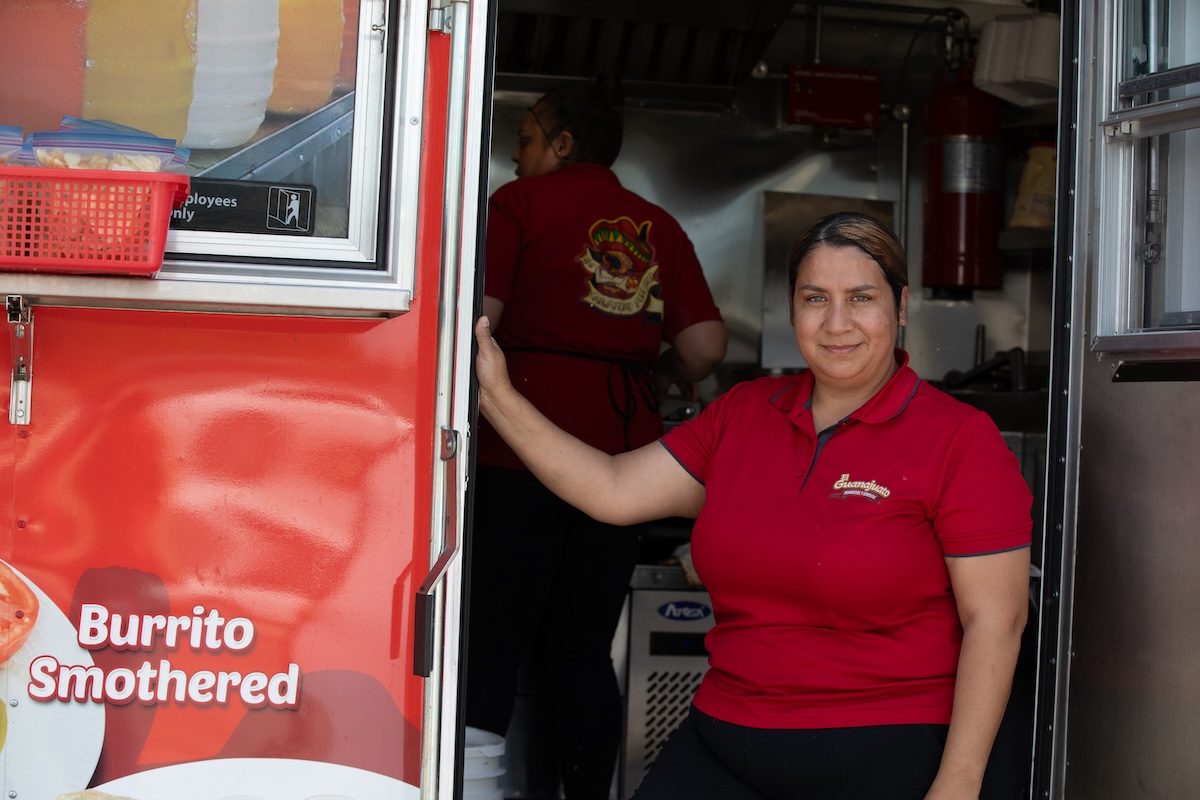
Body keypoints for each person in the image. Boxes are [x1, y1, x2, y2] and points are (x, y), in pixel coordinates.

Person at [473, 211, 1033, 800]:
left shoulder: (959, 439)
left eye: (861, 298)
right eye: (815, 298)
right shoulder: (742, 413)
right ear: (791, 306)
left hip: (887, 744)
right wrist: (498, 396)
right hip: (726, 741)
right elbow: (613, 489)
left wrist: (960, 782)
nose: (837, 323)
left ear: (901, 305)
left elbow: (997, 621)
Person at [465, 74, 728, 800]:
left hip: (517, 449)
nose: (516, 156)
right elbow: (705, 347)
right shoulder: (657, 225)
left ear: (562, 142)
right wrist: (662, 368)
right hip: (623, 457)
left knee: (491, 644)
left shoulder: (516, 204)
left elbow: (478, 318)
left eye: (524, 139)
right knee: (580, 653)